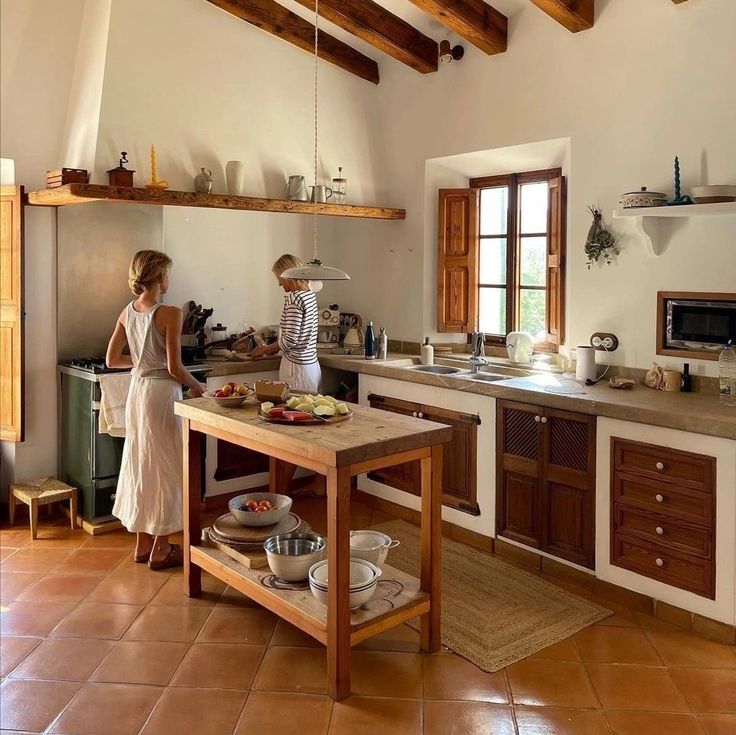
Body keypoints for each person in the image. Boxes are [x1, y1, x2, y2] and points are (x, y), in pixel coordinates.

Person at [106, 250, 206, 570]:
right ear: (161, 276)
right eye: (168, 273)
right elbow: (175, 368)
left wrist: (144, 363)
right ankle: (161, 548)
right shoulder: (170, 313)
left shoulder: (127, 311)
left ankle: (142, 544)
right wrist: (198, 387)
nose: (169, 279)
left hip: (138, 393)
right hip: (162, 395)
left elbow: (112, 360)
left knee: (140, 464)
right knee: (165, 467)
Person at [249, 253, 321, 393]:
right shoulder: (310, 295)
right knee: (309, 411)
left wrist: (263, 350)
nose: (279, 284)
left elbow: (290, 340)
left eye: (279, 278)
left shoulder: (294, 299)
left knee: (294, 412)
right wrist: (275, 348)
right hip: (311, 367)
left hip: (296, 369)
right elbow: (298, 335)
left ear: (288, 275)